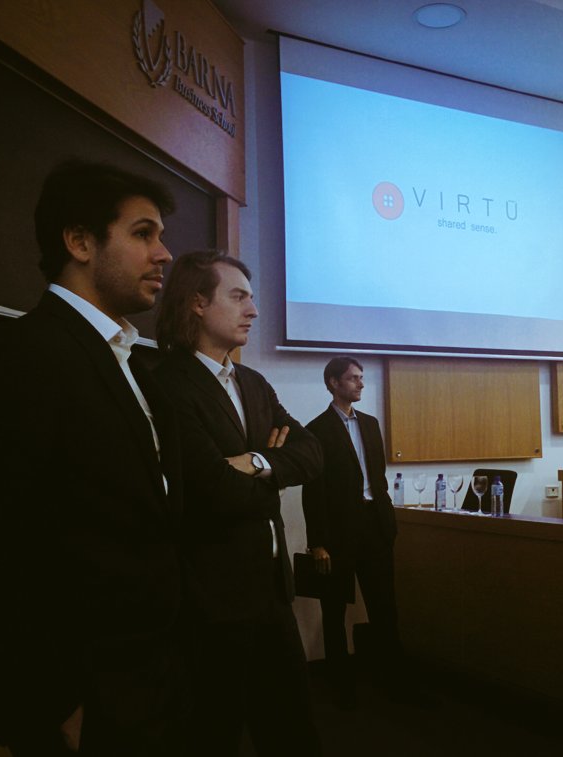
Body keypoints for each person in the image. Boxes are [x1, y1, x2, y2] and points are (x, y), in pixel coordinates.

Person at [0, 159, 188, 755]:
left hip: (153, 687)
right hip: (83, 708)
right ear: (80, 242)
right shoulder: (19, 357)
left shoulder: (134, 368)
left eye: (161, 235)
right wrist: (55, 705)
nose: (164, 253)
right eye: (142, 233)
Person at [153, 250, 322, 756]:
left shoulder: (253, 383)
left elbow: (313, 453)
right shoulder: (166, 383)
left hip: (272, 593)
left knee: (293, 735)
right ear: (198, 303)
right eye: (239, 297)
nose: (254, 310)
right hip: (211, 603)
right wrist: (273, 468)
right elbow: (212, 488)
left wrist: (255, 462)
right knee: (212, 736)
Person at [302, 357, 401, 709]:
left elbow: (379, 479)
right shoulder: (316, 429)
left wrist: (387, 525)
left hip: (374, 526)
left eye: (361, 377)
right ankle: (341, 688)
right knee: (334, 613)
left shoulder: (371, 424)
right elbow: (313, 489)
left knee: (385, 608)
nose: (360, 383)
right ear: (333, 383)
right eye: (353, 378)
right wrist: (317, 543)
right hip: (338, 533)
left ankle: (395, 684)